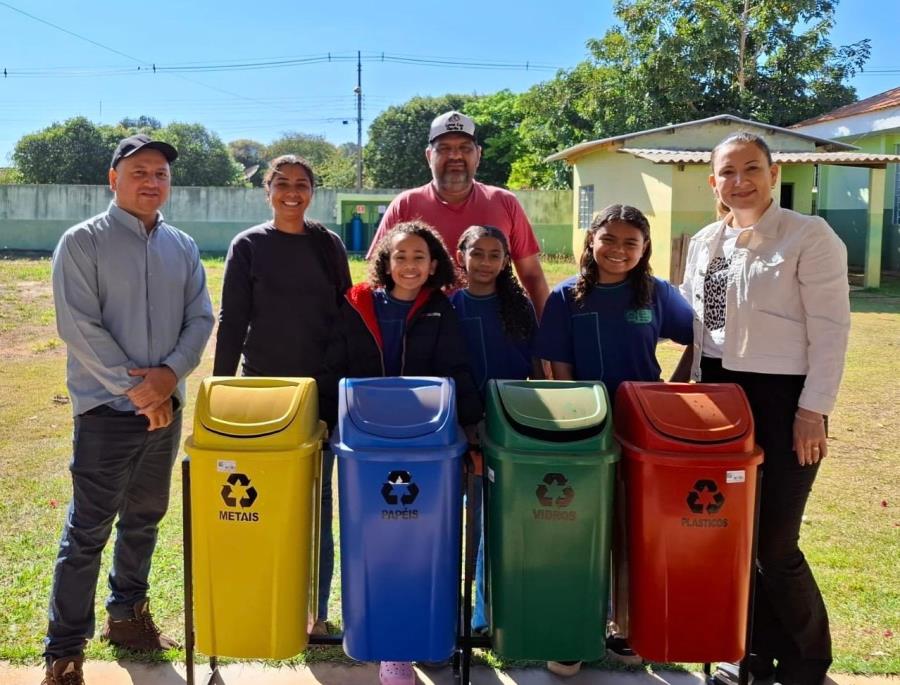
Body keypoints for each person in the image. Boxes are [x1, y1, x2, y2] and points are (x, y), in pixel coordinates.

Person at [681, 132, 850, 685]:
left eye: (751, 168)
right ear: (714, 182)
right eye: (727, 172)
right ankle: (750, 653)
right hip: (722, 398)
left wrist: (813, 411)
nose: (740, 181)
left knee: (777, 543)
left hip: (786, 403)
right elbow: (702, 331)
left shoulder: (809, 236)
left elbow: (830, 330)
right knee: (734, 538)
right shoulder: (706, 242)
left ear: (774, 174)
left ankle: (806, 664)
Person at [45, 134, 215, 685]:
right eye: (139, 171)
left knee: (144, 519)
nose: (152, 181)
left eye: (161, 173)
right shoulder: (82, 242)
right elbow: (78, 327)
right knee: (88, 529)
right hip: (105, 413)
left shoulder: (183, 247)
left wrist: (169, 377)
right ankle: (64, 651)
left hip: (166, 409)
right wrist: (139, 391)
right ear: (113, 179)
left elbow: (200, 320)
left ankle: (127, 616)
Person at [318, 221, 482, 685]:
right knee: (379, 547)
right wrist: (328, 419)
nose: (409, 265)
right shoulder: (358, 304)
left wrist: (470, 433)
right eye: (400, 256)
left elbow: (456, 368)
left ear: (434, 265)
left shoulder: (440, 310)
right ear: (385, 262)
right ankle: (394, 651)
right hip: (367, 441)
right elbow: (336, 365)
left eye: (419, 257)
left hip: (427, 443)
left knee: (425, 547)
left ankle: (429, 635)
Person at [534, 203, 694, 677]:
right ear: (590, 240)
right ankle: (576, 631)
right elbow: (559, 371)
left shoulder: (657, 293)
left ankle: (626, 626)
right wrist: (576, 428)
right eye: (609, 239)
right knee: (582, 533)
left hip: (645, 429)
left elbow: (698, 338)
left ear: (645, 248)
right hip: (586, 431)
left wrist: (670, 394)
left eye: (631, 241)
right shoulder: (565, 297)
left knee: (633, 531)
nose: (618, 250)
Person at [213, 154, 351, 636]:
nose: (292, 192)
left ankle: (316, 612)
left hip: (320, 393)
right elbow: (232, 322)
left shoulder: (328, 244)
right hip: (262, 395)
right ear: (267, 190)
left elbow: (346, 317)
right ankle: (266, 597)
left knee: (320, 506)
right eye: (282, 184)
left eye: (302, 184)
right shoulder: (248, 245)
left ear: (313, 191)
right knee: (262, 504)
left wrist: (341, 392)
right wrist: (220, 392)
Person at [366, 110, 551, 317]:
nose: (455, 155)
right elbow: (377, 277)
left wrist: (547, 334)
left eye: (465, 148)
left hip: (494, 326)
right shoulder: (405, 204)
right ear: (429, 156)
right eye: (444, 148)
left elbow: (532, 276)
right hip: (422, 329)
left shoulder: (505, 202)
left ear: (478, 155)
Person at [450, 225, 541, 636]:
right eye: (478, 253)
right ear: (461, 256)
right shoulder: (449, 307)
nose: (485, 262)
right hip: (463, 429)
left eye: (494, 255)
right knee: (461, 525)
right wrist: (467, 424)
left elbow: (536, 370)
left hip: (511, 430)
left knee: (499, 523)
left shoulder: (520, 308)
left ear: (506, 261)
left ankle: (488, 615)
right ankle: (458, 614)